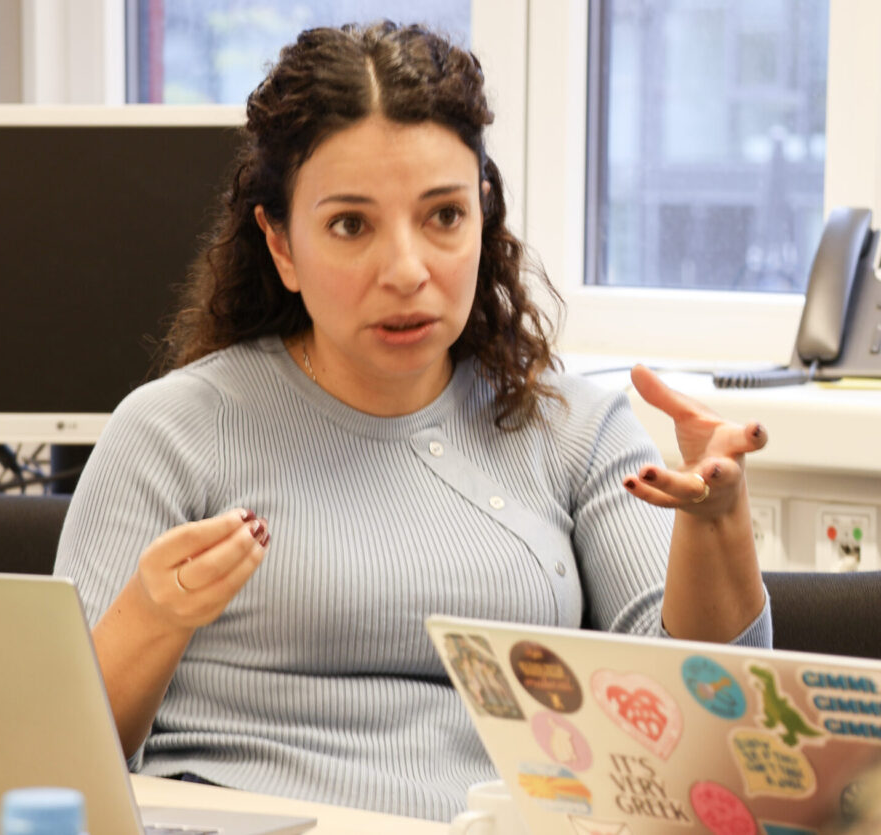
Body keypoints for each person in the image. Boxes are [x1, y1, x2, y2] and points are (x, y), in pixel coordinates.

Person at [53, 20, 770, 823]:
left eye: (443, 216)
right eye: (350, 225)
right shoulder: (170, 434)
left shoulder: (575, 431)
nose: (406, 270)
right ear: (282, 243)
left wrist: (716, 524)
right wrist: (153, 615)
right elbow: (52, 762)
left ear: (483, 215)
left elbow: (708, 751)